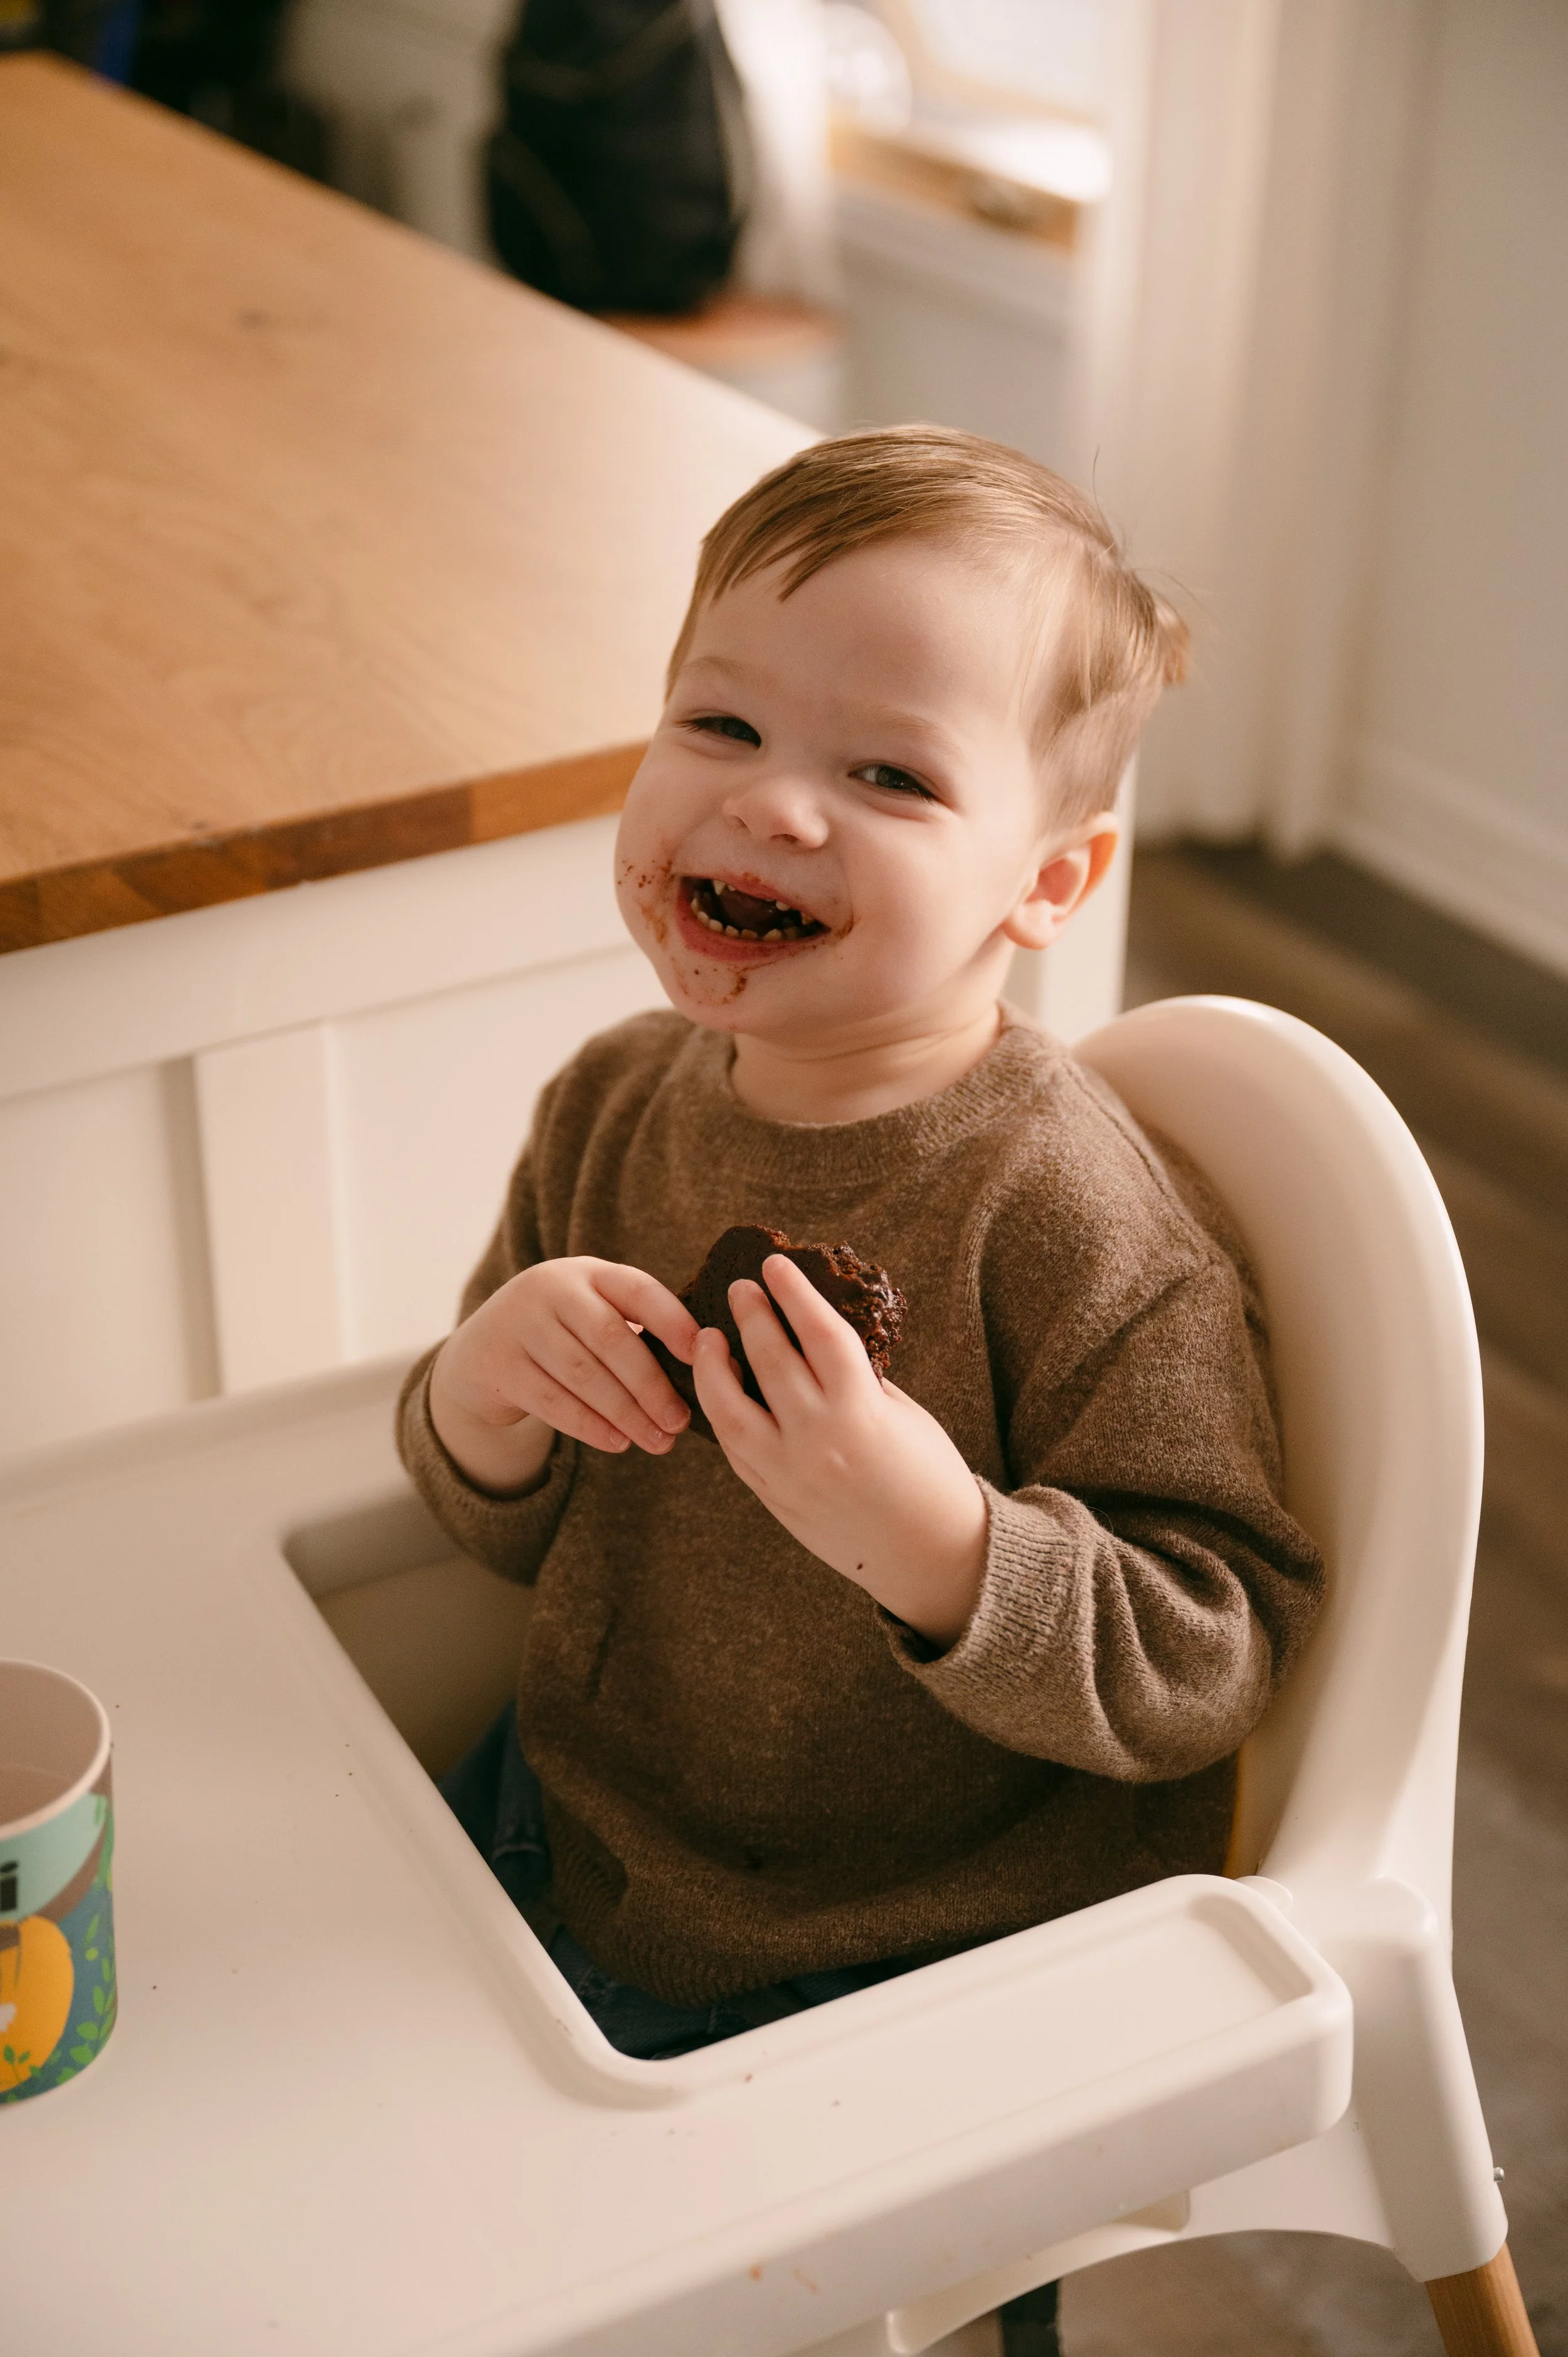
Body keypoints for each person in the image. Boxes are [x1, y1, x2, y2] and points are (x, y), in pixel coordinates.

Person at [398, 425, 1323, 2357]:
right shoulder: (612, 1096)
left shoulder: (1065, 1211)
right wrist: (482, 1394)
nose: (773, 806)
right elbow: (489, 1518)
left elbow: (1206, 1646)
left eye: (888, 772)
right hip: (576, 1830)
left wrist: (940, 1543)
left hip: (916, 1958)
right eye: (717, 724)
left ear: (1048, 879)